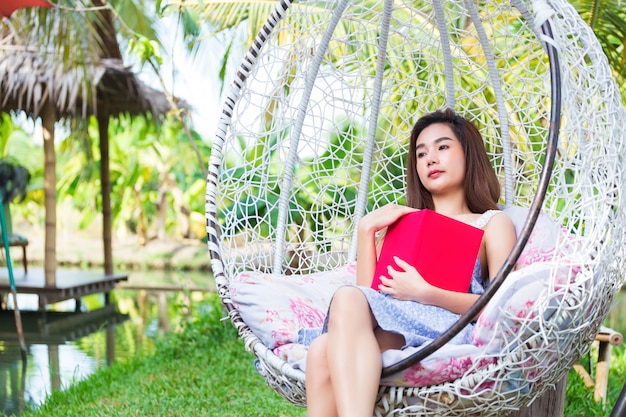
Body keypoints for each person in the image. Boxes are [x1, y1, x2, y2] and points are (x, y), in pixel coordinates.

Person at [304, 108, 517, 417]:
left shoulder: (491, 223)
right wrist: (366, 231)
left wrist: (424, 291)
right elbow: (366, 302)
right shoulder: (402, 223)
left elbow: (498, 305)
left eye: (442, 147)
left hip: (446, 328)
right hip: (394, 324)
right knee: (321, 350)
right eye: (421, 153)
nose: (430, 158)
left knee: (340, 315)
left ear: (469, 155)